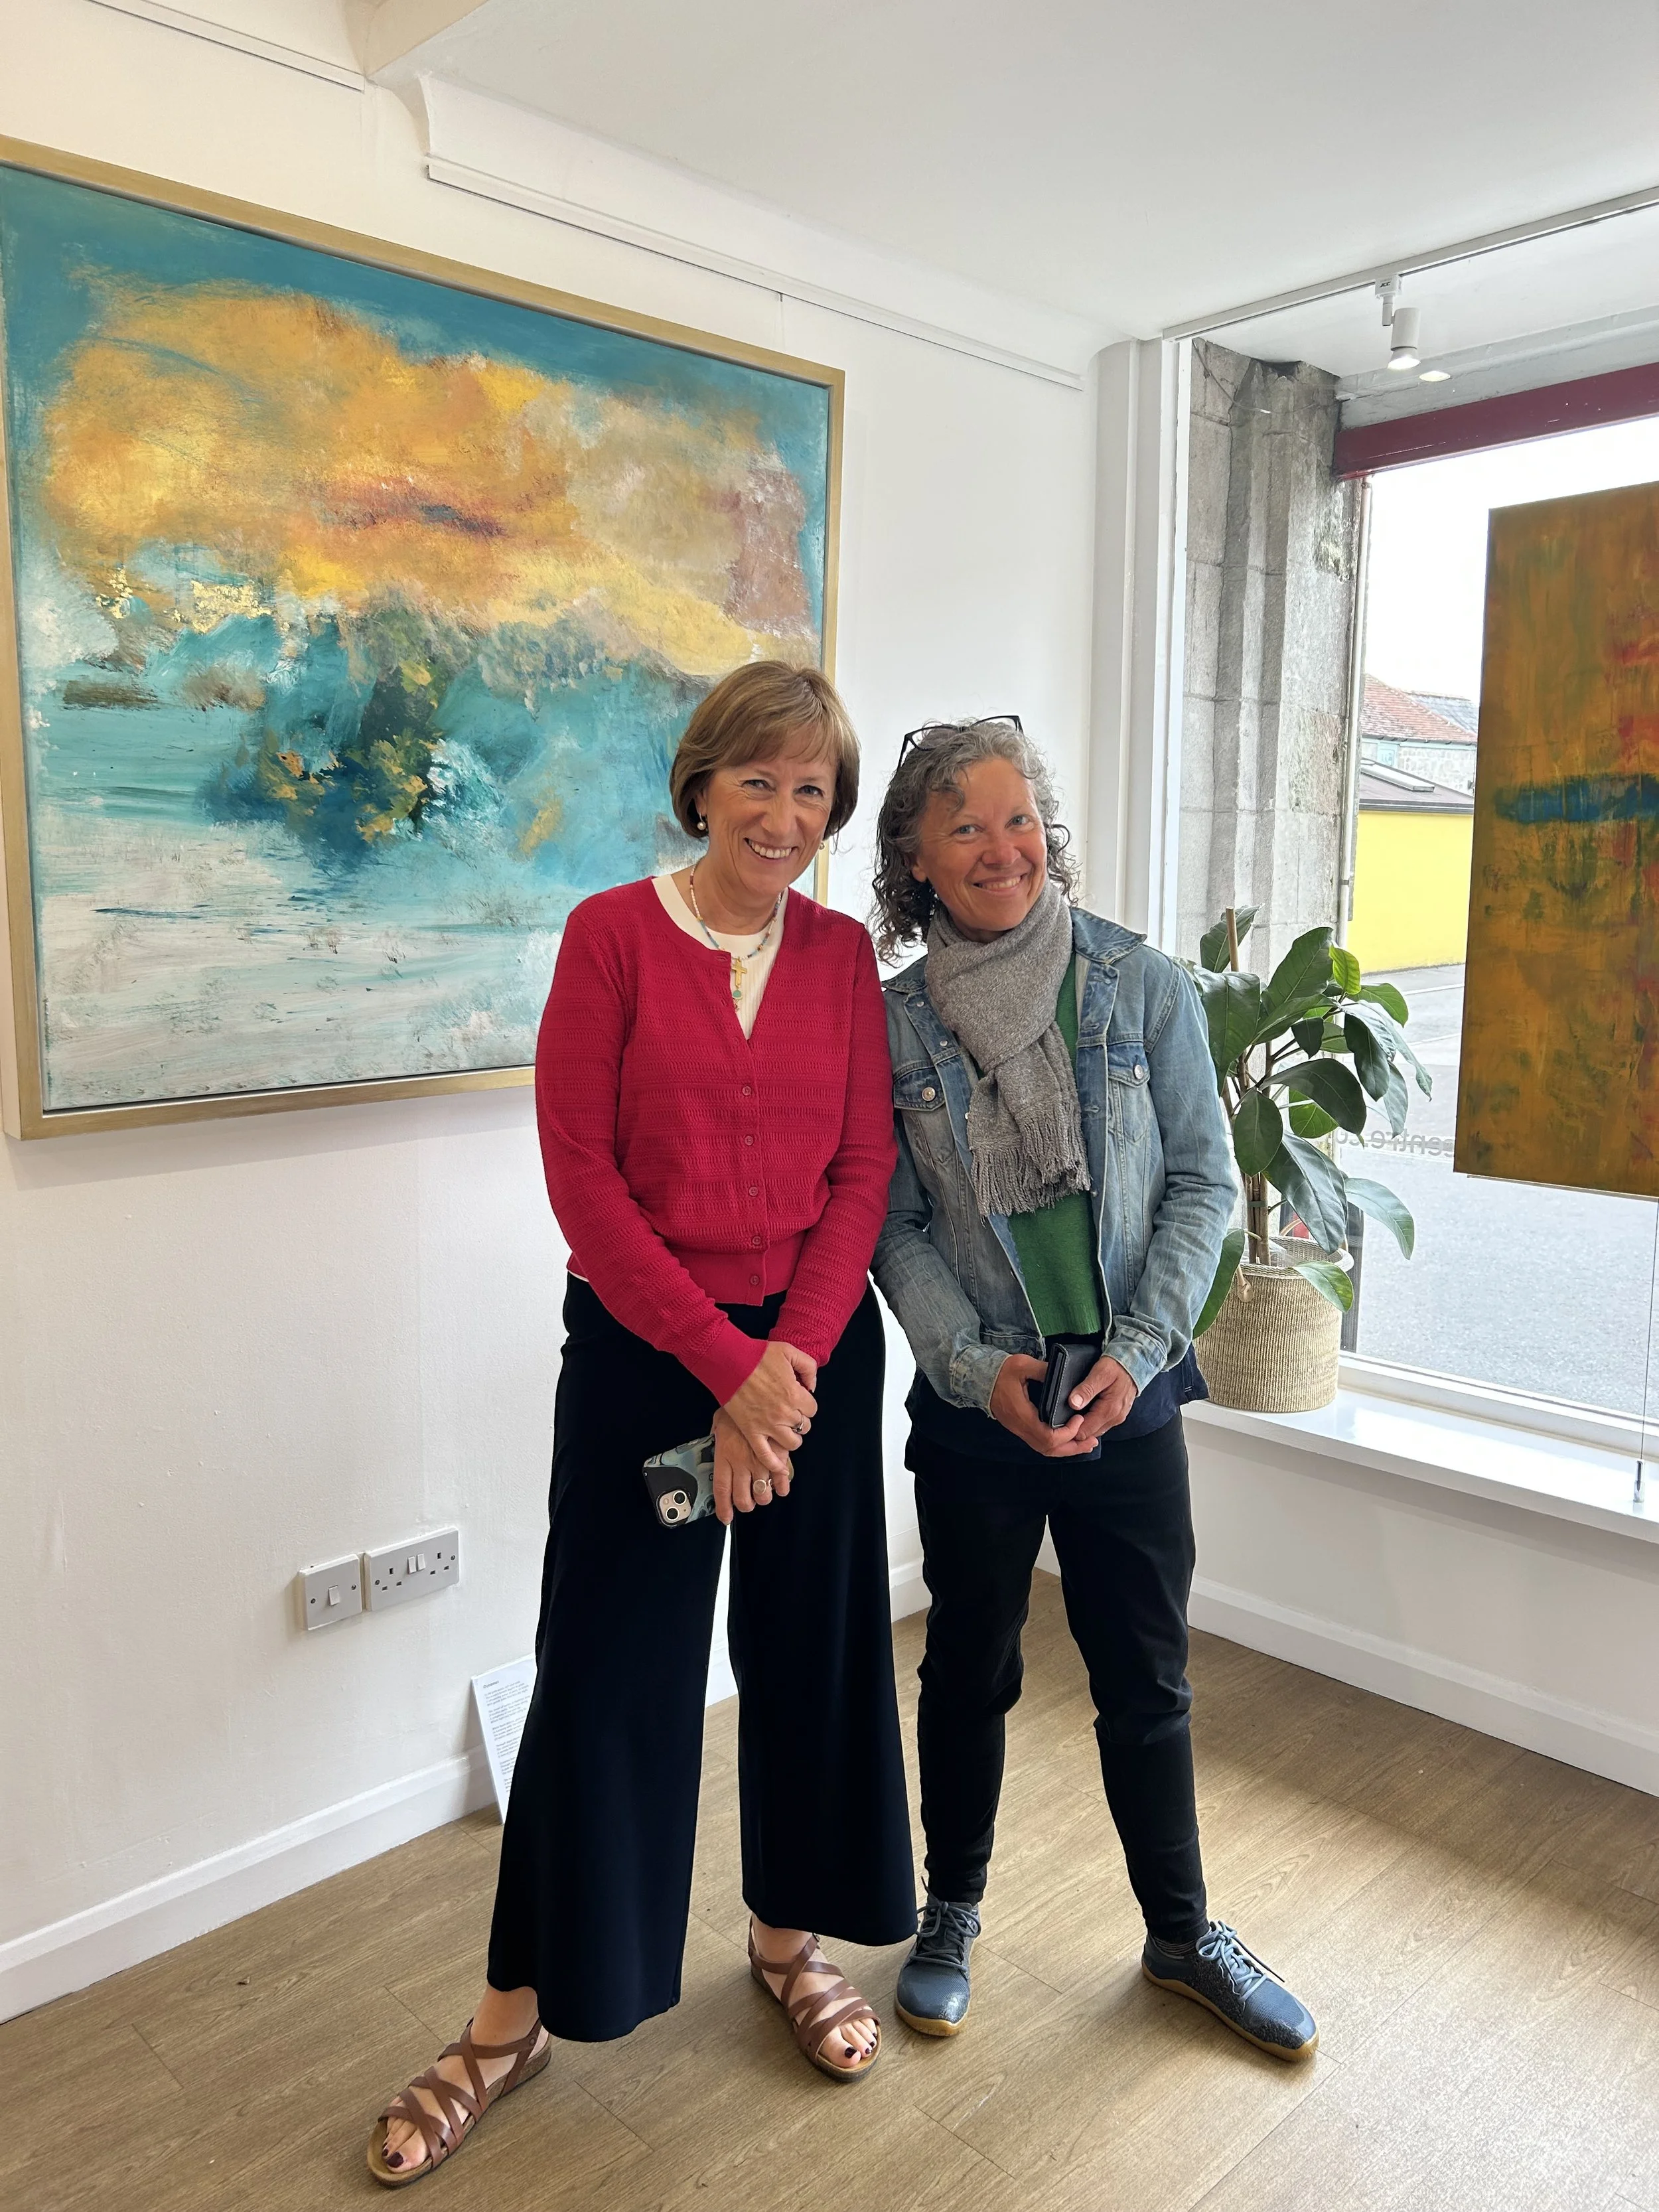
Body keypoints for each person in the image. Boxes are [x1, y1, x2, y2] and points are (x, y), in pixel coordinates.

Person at [369, 662, 915, 2187]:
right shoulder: (610, 935)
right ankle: (507, 2020)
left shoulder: (837, 956)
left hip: (808, 1371)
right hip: (648, 1371)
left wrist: (785, 1367)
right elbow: (584, 1186)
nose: (785, 814)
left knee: (809, 1656)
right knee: (612, 1675)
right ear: (702, 784)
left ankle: (788, 1945)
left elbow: (861, 1173)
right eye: (760, 779)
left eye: (813, 792)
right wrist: (722, 1373)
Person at [868, 716, 1318, 2061]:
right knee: (966, 1668)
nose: (1001, 848)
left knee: (1145, 1675)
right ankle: (948, 1909)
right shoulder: (893, 1025)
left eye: (1018, 819)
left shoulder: (1138, 983)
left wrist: (1134, 1351)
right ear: (915, 859)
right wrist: (968, 1366)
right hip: (979, 1403)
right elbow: (891, 1225)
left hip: (1129, 1390)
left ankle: (1180, 1932)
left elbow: (1200, 1185)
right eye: (965, 827)